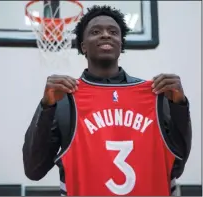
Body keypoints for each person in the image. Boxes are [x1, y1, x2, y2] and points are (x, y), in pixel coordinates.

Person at [22, 5, 192, 196]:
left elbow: (176, 166)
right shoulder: (64, 99)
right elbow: (33, 170)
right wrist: (46, 107)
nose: (105, 35)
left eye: (113, 32)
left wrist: (180, 107)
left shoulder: (155, 95)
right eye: (95, 31)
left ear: (121, 43)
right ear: (83, 45)